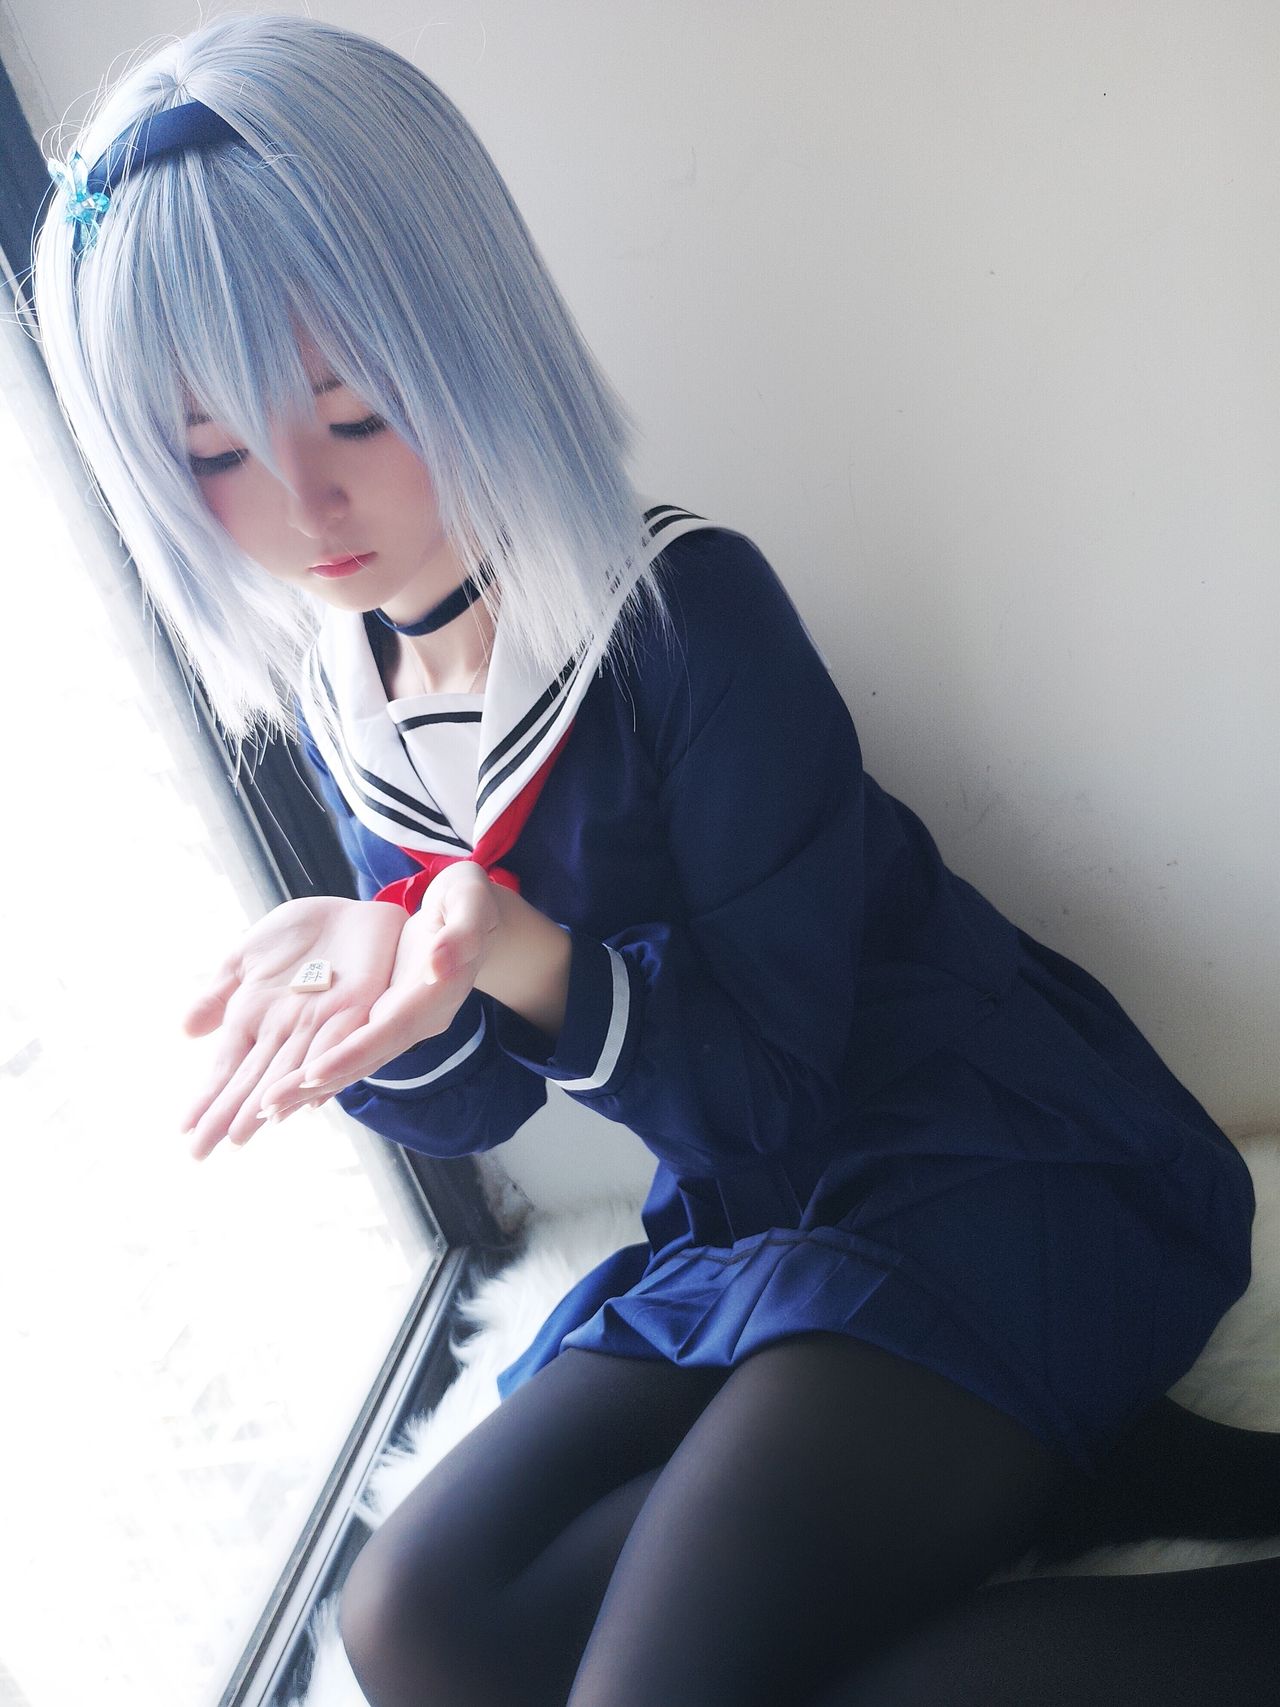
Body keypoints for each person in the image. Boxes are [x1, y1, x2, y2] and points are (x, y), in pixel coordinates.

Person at [30, 13, 1280, 1705]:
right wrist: (395, 996)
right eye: (213, 455)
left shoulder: (685, 615)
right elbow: (484, 1105)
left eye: (354, 416)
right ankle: (1027, 1474)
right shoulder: (351, 694)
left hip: (981, 1166)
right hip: (750, 1225)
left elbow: (774, 1078)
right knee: (417, 1629)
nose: (304, 507)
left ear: (469, 339)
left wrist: (511, 950)